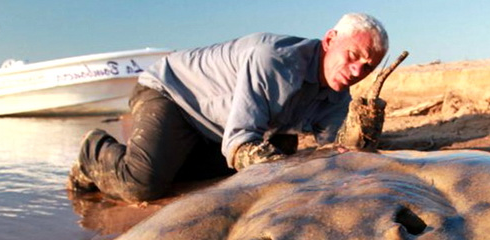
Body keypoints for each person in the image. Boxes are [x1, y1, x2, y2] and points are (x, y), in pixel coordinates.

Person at [68, 13, 388, 202]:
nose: (358, 70)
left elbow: (336, 153)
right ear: (330, 40)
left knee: (275, 154)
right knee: (141, 184)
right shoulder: (274, 60)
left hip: (215, 124)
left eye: (368, 66)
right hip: (171, 93)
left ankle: (168, 155)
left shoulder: (337, 94)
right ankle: (93, 151)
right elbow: (240, 143)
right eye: (353, 56)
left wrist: (361, 134)